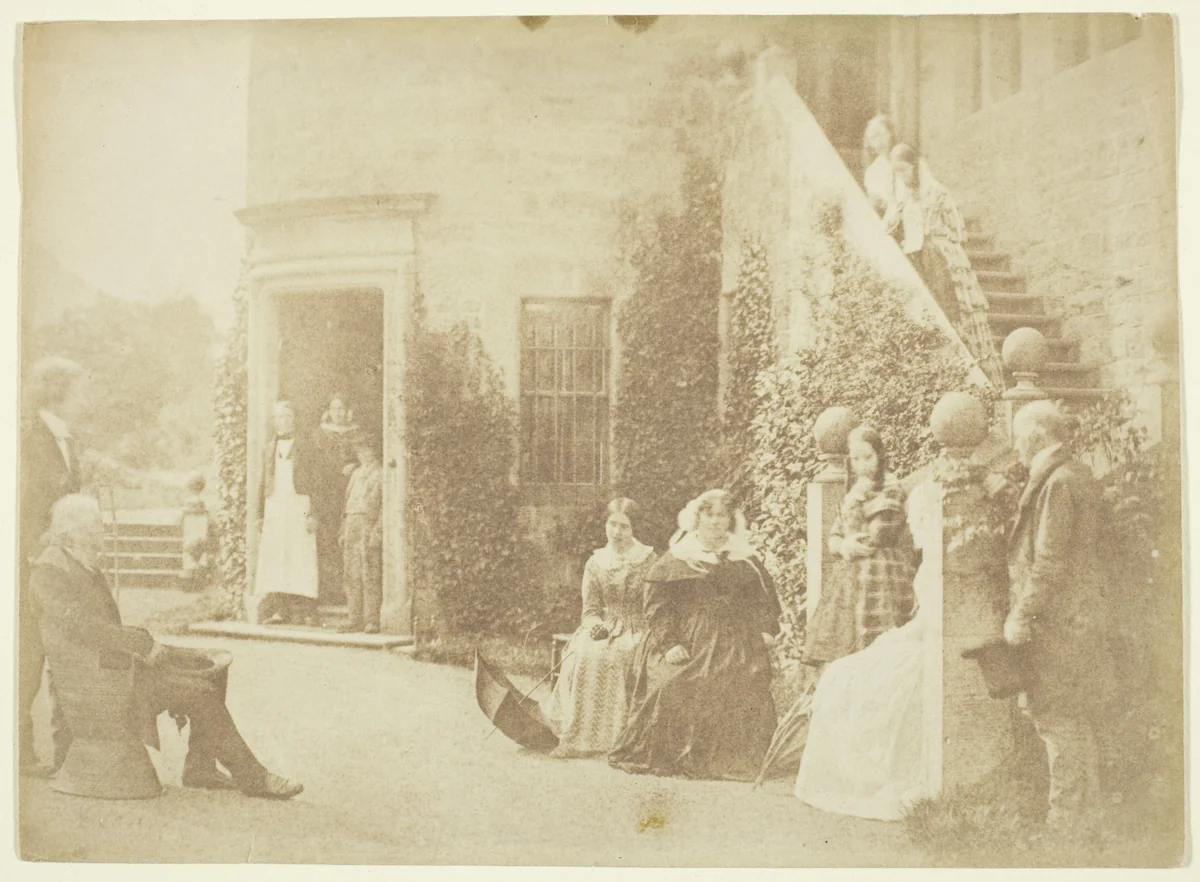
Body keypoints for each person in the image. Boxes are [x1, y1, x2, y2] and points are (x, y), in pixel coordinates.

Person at [30, 495, 303, 799]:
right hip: (102, 681)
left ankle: (200, 767)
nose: (103, 529)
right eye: (95, 525)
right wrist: (141, 644)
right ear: (73, 532)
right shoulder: (51, 572)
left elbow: (99, 630)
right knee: (202, 692)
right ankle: (254, 779)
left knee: (211, 664)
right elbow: (83, 627)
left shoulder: (80, 563)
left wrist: (142, 644)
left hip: (115, 665)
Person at [793, 477, 941, 820]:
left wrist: (892, 639)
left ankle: (870, 773)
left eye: (918, 521)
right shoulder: (929, 560)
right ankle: (856, 773)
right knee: (842, 673)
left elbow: (927, 623)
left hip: (923, 647)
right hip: (913, 640)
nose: (913, 530)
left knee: (856, 679)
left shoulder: (934, 566)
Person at [608, 490, 782, 781]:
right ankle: (678, 755)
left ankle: (731, 758)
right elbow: (657, 606)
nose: (715, 522)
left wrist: (766, 631)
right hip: (687, 635)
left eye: (721, 515)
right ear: (696, 518)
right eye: (708, 515)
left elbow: (764, 601)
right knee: (674, 683)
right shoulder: (679, 556)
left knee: (743, 679)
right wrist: (669, 643)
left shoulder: (744, 557)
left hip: (735, 636)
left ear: (730, 520)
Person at [1005, 400, 1111, 828]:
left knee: (1054, 716)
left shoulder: (1059, 481)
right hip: (1075, 617)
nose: (1014, 446)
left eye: (1017, 436)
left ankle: (1065, 823)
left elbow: (1050, 559)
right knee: (1070, 716)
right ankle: (1087, 817)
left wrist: (1021, 614)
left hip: (1060, 621)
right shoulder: (1071, 473)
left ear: (1036, 434)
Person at [882, 143, 1005, 388]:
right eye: (897, 172)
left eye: (904, 170)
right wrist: (897, 208)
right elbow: (887, 228)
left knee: (953, 311)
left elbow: (957, 227)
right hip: (916, 258)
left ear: (915, 167)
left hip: (939, 256)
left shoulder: (936, 192)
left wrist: (938, 241)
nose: (902, 177)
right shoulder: (901, 198)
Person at [542, 499, 657, 759]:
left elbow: (656, 606)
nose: (617, 532)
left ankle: (615, 740)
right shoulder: (596, 562)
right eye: (612, 524)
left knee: (617, 656)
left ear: (634, 529)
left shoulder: (648, 560)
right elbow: (590, 610)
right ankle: (577, 738)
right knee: (582, 654)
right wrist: (595, 626)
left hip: (638, 628)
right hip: (604, 627)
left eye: (624, 526)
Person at [19, 356, 87, 775]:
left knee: (59, 650)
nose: (85, 399)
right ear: (58, 392)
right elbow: (20, 501)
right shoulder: (29, 434)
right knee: (26, 657)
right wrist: (34, 548)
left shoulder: (63, 436)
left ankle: (68, 752)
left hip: (57, 562)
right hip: (31, 565)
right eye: (81, 390)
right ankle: (18, 753)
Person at [804, 425, 916, 667]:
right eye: (856, 458)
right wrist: (843, 545)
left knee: (878, 648)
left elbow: (876, 537)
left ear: (880, 456)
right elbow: (833, 536)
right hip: (850, 578)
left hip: (881, 575)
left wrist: (855, 515)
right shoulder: (854, 491)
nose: (862, 465)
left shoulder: (891, 489)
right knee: (845, 645)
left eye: (868, 457)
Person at [252, 400, 322, 626]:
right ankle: (280, 610)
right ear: (274, 421)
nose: (283, 421)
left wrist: (315, 514)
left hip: (300, 503)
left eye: (288, 416)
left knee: (301, 554)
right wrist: (260, 515)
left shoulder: (308, 445)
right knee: (277, 556)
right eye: (279, 417)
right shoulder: (269, 447)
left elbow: (318, 481)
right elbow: (263, 482)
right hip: (276, 505)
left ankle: (306, 611)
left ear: (295, 419)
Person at [314, 394, 360, 606]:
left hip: (350, 490)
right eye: (334, 408)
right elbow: (316, 463)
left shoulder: (356, 433)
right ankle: (330, 591)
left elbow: (365, 457)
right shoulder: (320, 435)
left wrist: (355, 466)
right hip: (328, 492)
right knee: (328, 539)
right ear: (328, 411)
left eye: (341, 408)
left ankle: (350, 593)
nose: (338, 413)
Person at [338, 432, 384, 634]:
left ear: (374, 451)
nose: (363, 455)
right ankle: (354, 617)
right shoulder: (355, 474)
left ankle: (371, 619)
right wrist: (343, 529)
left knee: (369, 571)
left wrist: (378, 530)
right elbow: (346, 503)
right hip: (352, 523)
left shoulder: (381, 474)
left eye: (366, 450)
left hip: (368, 522)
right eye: (360, 451)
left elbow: (384, 506)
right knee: (351, 572)